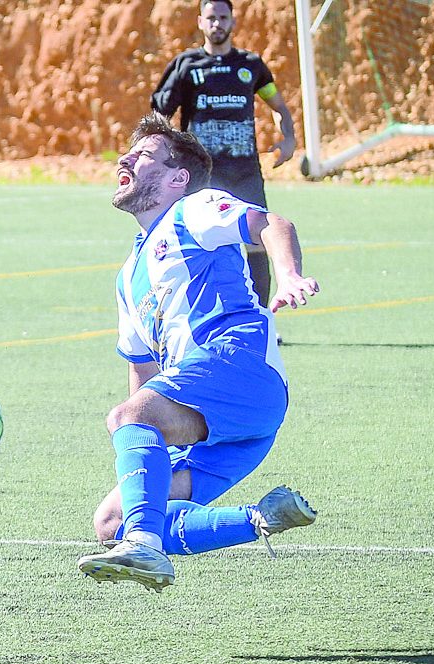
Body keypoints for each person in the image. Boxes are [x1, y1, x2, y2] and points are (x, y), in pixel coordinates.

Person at [76, 112, 320, 592]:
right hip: (227, 426)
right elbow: (143, 374)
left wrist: (289, 275)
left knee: (128, 421)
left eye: (144, 154)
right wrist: (142, 452)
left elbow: (271, 223)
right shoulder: (127, 278)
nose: (125, 158)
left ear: (177, 178)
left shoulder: (194, 209)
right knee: (113, 522)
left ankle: (145, 547)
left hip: (238, 366)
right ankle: (260, 517)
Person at [150, 0, 297, 313]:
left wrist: (289, 139)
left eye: (223, 17)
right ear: (200, 22)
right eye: (211, 18)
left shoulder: (251, 66)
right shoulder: (186, 66)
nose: (217, 23)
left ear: (233, 21)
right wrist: (162, 157)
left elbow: (278, 107)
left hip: (244, 173)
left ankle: (261, 318)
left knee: (256, 241)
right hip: (200, 177)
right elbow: (160, 117)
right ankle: (198, 315)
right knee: (197, 244)